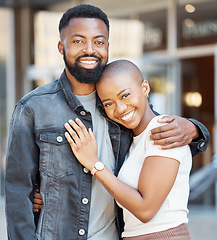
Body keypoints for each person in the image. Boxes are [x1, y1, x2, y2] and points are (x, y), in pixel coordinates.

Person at [5, 4, 209, 240]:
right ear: (61, 47)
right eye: (78, 41)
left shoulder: (121, 107)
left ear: (108, 47)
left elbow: (159, 130)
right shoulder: (33, 108)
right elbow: (18, 191)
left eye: (99, 42)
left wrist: (195, 129)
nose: (90, 49)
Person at [64, 59, 193, 239]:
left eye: (125, 95)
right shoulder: (132, 141)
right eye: (109, 103)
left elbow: (145, 209)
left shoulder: (163, 132)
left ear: (145, 88)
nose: (121, 108)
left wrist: (94, 164)